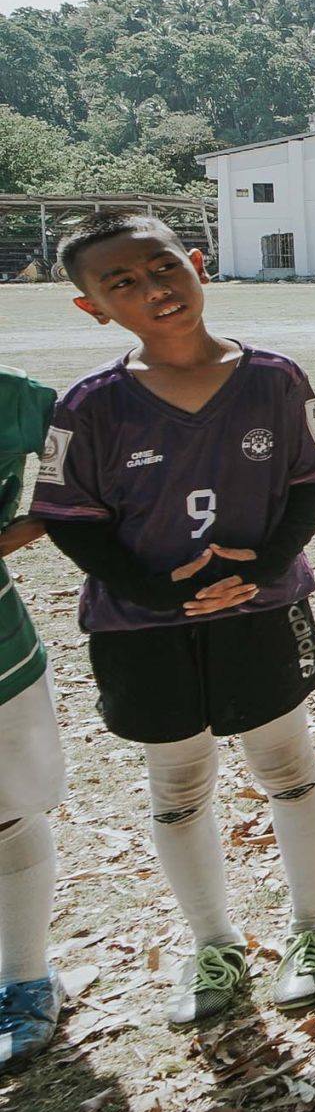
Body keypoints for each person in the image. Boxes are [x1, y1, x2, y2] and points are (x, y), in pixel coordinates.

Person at [32, 212, 315, 1024]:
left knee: (287, 767)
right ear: (92, 307)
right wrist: (158, 593)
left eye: (162, 266)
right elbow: (70, 517)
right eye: (122, 283)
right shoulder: (90, 405)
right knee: (176, 787)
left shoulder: (276, 378)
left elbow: (312, 481)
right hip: (142, 627)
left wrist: (268, 565)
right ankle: (213, 944)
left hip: (261, 610)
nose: (154, 290)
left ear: (197, 263)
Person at [0, 360, 64, 1062]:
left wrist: (27, 527)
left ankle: (24, 976)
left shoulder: (14, 399)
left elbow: (90, 465)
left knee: (6, 808)